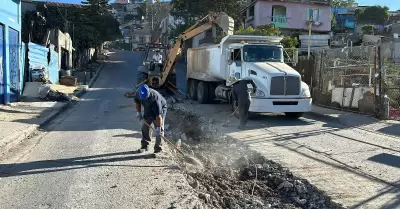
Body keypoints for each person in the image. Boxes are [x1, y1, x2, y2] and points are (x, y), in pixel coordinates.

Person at [134, 84, 168, 153]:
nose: (144, 99)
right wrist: (138, 112)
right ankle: (145, 145)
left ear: (148, 93)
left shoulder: (155, 98)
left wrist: (158, 128)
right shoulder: (138, 93)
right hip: (148, 107)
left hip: (159, 109)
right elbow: (137, 103)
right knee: (145, 126)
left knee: (160, 129)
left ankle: (158, 149)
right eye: (143, 98)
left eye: (145, 97)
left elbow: (158, 116)